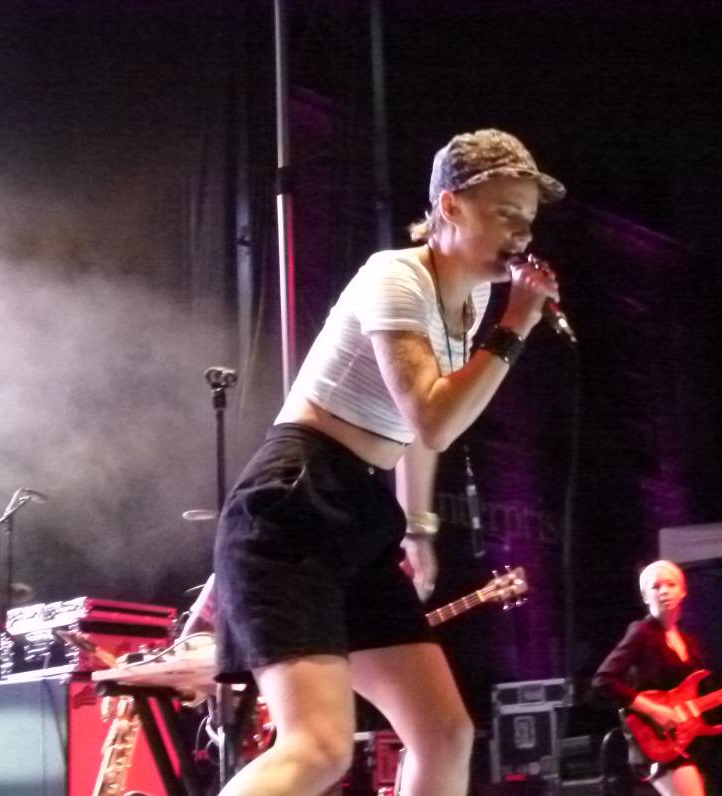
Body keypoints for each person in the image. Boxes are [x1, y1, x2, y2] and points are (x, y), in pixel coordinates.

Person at [212, 129, 566, 796]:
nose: (521, 233)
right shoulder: (395, 276)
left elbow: (420, 433)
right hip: (294, 502)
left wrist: (418, 527)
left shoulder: (473, 302)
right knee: (317, 747)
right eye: (505, 213)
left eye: (527, 218)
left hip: (356, 510)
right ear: (450, 206)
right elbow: (432, 416)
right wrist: (517, 324)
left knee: (444, 733)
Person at [591, 560, 722, 796]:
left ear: (682, 592)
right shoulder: (641, 632)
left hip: (686, 741)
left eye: (670, 584)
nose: (663, 591)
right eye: (655, 586)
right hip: (656, 741)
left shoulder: (691, 644)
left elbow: (705, 703)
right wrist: (655, 710)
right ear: (645, 596)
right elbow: (603, 681)